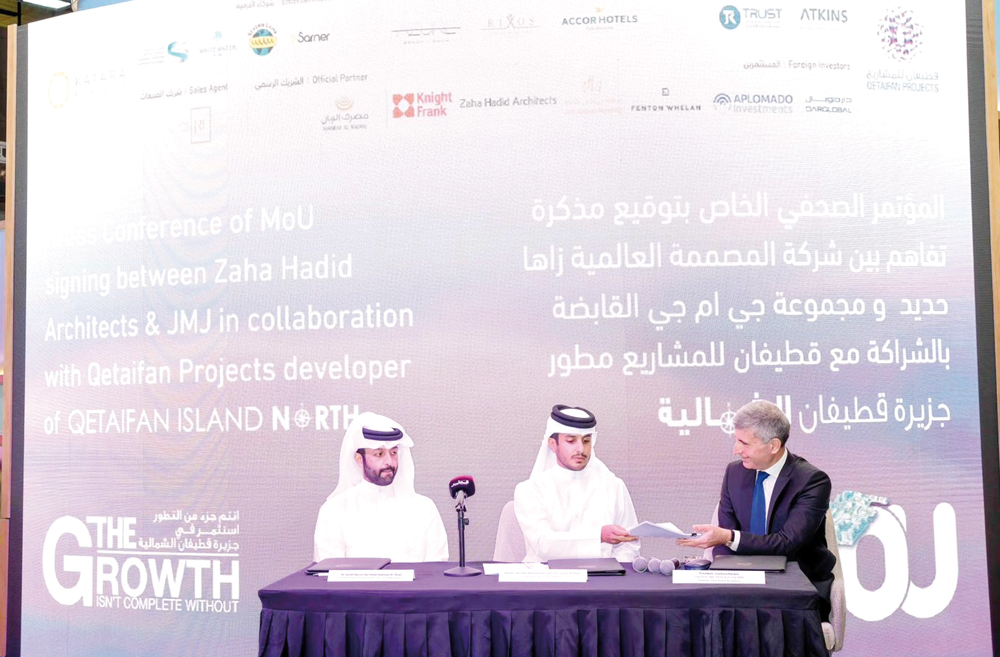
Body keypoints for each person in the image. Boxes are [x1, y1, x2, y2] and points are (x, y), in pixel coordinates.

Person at [678, 400, 835, 618]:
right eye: (736, 440)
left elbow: (788, 544)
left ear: (773, 446)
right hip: (741, 586)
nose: (736, 450)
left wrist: (728, 536)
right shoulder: (734, 473)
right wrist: (729, 576)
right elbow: (723, 545)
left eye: (745, 443)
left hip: (795, 588)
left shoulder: (811, 481)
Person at [313, 412, 449, 562]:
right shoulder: (334, 510)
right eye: (379, 454)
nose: (389, 462)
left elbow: (436, 570)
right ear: (359, 460)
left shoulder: (424, 508)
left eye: (393, 453)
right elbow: (327, 573)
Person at [513, 405, 640, 562]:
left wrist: (614, 572)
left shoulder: (614, 486)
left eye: (586, 440)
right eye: (571, 441)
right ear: (553, 444)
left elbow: (629, 545)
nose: (581, 449)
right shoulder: (530, 490)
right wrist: (599, 536)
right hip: (548, 580)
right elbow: (543, 544)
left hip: (605, 581)